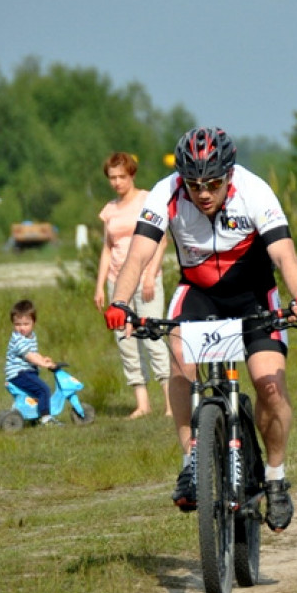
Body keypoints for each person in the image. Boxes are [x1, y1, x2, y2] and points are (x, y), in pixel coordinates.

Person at [104, 127, 297, 532]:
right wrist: (120, 302)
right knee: (180, 361)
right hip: (199, 294)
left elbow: (284, 256)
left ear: (229, 174)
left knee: (269, 385)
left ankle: (275, 478)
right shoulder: (166, 192)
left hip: (253, 297)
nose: (203, 193)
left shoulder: (254, 191)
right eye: (194, 184)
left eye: (213, 184)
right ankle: (191, 462)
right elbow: (137, 254)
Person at [95, 152, 172, 418]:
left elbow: (161, 241)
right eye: (112, 178)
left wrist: (151, 274)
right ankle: (142, 403)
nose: (117, 182)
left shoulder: (147, 200)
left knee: (152, 337)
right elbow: (107, 249)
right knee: (125, 340)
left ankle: (170, 403)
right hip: (117, 281)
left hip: (146, 278)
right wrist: (100, 285)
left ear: (132, 175)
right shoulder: (109, 209)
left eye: (121, 177)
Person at [5, 298, 62, 426]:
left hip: (26, 372)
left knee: (34, 393)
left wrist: (42, 358)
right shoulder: (18, 339)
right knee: (44, 390)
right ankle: (46, 418)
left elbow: (33, 353)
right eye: (18, 324)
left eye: (26, 324)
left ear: (34, 322)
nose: (22, 328)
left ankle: (32, 416)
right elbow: (29, 356)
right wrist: (43, 364)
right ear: (13, 323)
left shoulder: (31, 336)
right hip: (19, 373)